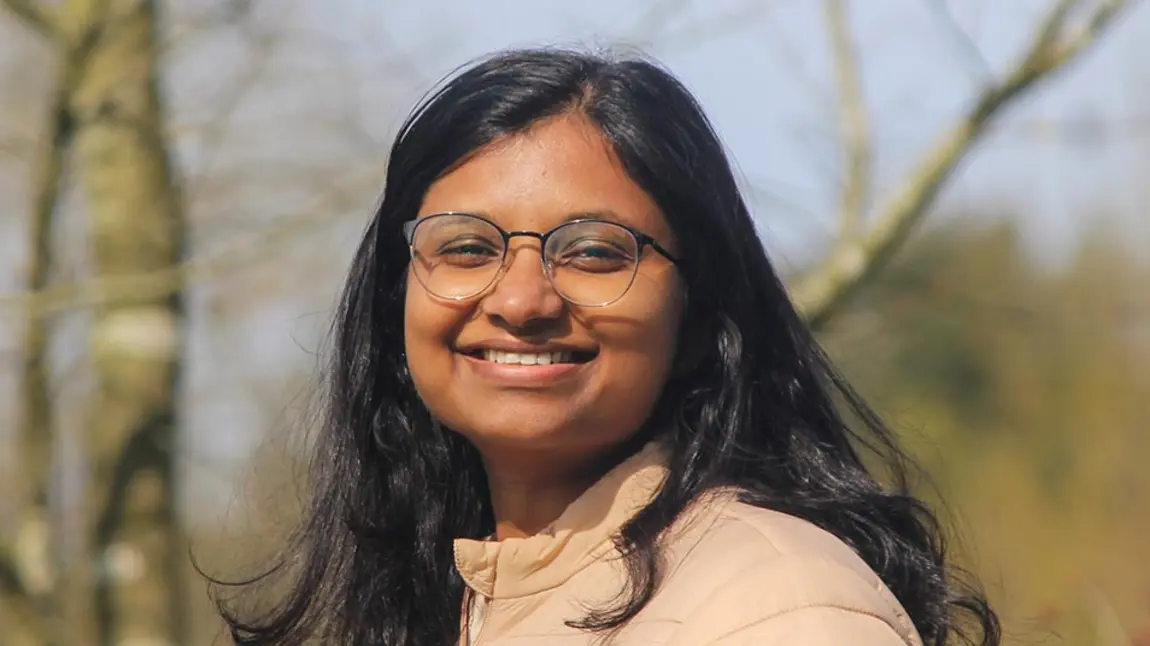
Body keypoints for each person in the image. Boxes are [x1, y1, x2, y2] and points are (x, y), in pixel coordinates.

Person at [212, 48, 1001, 645]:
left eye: (593, 252)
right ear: (396, 299)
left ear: (700, 316)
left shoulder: (774, 605)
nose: (521, 300)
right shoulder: (458, 601)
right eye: (466, 248)